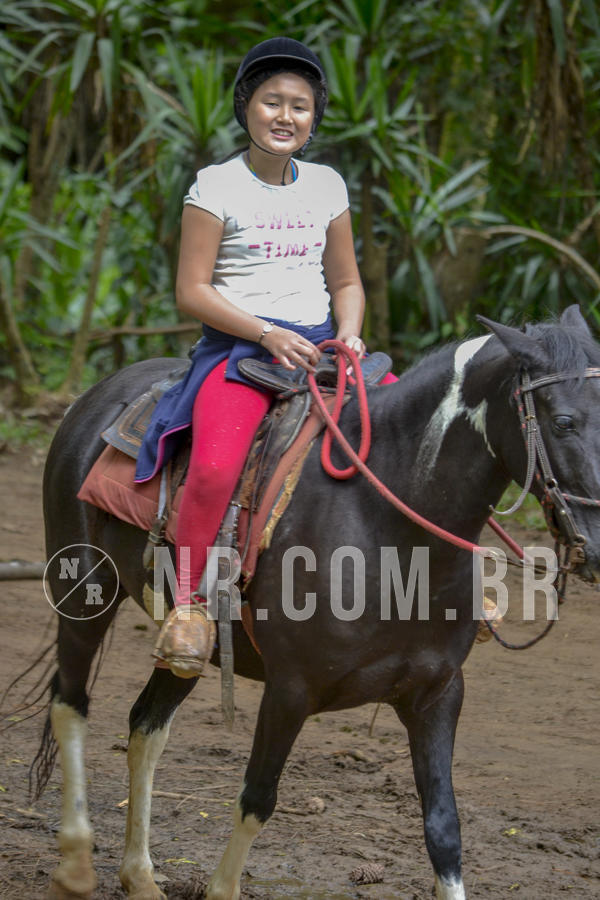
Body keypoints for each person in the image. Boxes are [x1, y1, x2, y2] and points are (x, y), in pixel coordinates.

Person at [136, 36, 391, 678]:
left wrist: (352, 330)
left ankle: (455, 584)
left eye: (299, 106)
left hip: (321, 348)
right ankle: (189, 603)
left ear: (314, 118)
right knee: (217, 468)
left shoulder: (327, 185)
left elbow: (347, 282)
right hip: (242, 351)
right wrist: (265, 332)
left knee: (413, 430)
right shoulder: (215, 186)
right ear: (246, 106)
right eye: (271, 101)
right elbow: (191, 290)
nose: (285, 116)